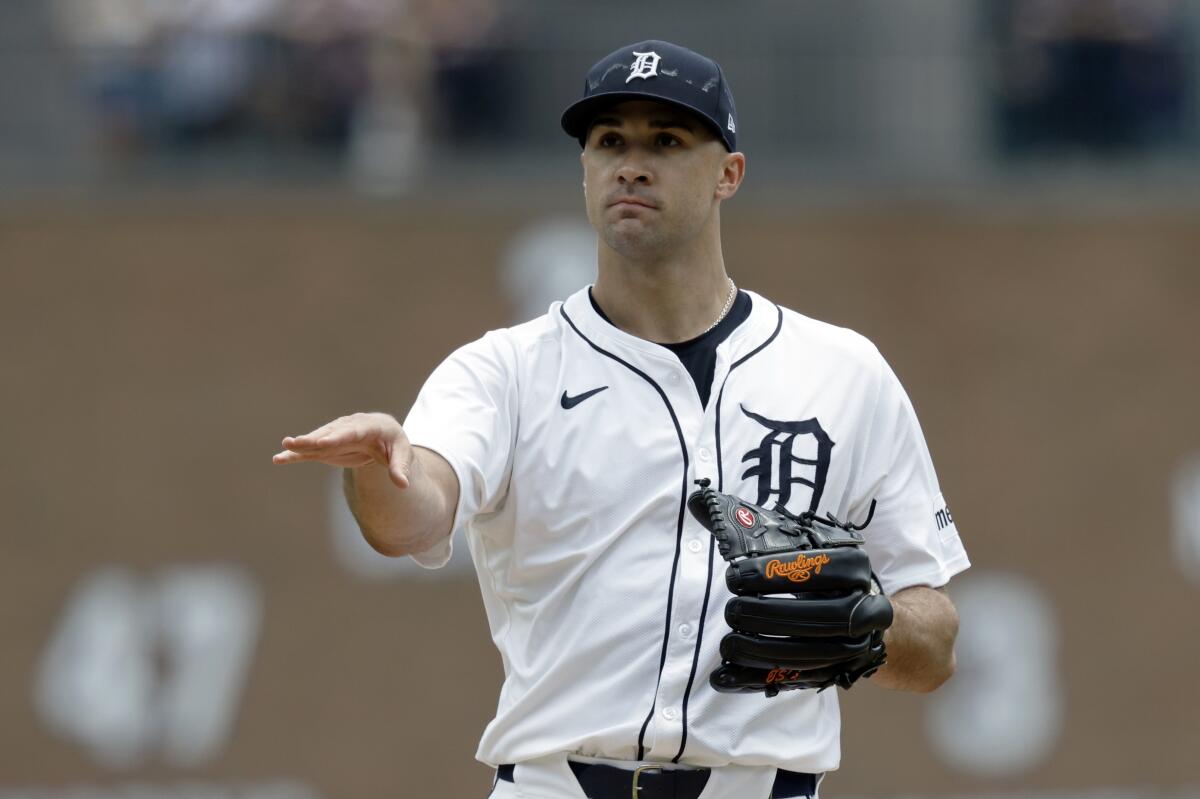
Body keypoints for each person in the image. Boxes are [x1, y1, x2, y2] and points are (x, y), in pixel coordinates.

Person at [274, 40, 969, 799]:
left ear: (728, 174)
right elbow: (410, 518)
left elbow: (934, 643)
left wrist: (867, 627)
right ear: (584, 172)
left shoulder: (843, 372)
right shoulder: (506, 369)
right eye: (610, 142)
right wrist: (381, 469)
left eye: (665, 142)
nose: (630, 164)